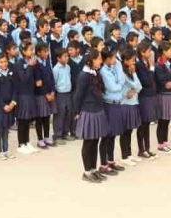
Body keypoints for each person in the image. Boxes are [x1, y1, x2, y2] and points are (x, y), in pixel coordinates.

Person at [73, 50, 108, 184]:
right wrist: (76, 112)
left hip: (98, 109)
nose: (101, 61)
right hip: (88, 110)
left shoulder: (96, 73)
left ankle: (93, 169)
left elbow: (102, 89)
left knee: (95, 141)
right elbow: (78, 95)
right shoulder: (84, 75)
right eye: (98, 59)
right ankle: (87, 171)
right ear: (91, 60)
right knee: (88, 142)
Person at [99, 47, 125, 175]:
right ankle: (103, 165)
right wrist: (119, 85)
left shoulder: (115, 66)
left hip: (117, 104)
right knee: (106, 136)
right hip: (108, 105)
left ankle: (111, 161)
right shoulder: (104, 70)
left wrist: (118, 64)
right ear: (107, 59)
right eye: (113, 57)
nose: (116, 59)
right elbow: (113, 87)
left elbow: (123, 79)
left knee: (113, 135)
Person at [13, 41, 39, 155]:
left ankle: (27, 142)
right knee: (22, 121)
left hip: (30, 93)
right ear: (23, 51)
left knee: (27, 120)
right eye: (30, 50)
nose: (32, 52)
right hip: (22, 94)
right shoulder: (20, 63)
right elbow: (24, 78)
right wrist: (29, 66)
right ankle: (21, 144)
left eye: (32, 50)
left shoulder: (32, 62)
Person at [118, 48, 142, 167]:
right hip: (125, 104)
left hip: (133, 102)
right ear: (126, 60)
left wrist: (134, 74)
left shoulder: (131, 71)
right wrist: (134, 86)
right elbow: (133, 85)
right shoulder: (123, 73)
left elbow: (139, 87)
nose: (134, 62)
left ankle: (129, 154)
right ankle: (124, 156)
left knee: (130, 130)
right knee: (125, 132)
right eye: (132, 60)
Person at [0, 53, 17, 159]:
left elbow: (16, 89)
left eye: (5, 61)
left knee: (6, 127)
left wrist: (13, 103)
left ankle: (6, 149)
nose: (4, 64)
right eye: (1, 62)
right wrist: (3, 105)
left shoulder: (11, 74)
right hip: (0, 106)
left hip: (10, 104)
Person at [135, 41, 157, 159]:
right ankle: (141, 149)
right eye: (148, 51)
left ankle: (147, 148)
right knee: (142, 123)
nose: (150, 53)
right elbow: (146, 82)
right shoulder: (139, 64)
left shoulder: (146, 62)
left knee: (147, 123)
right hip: (144, 96)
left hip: (150, 95)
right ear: (142, 52)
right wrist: (152, 69)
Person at [34, 43, 56, 148]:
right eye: (45, 51)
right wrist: (45, 94)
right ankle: (40, 139)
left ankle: (47, 137)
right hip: (40, 94)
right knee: (39, 118)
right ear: (38, 53)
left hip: (49, 92)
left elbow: (51, 77)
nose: (47, 53)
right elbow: (38, 82)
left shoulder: (47, 62)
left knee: (47, 117)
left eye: (47, 51)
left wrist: (52, 91)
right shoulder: (36, 64)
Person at [52, 48, 73, 144]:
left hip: (68, 93)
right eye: (65, 56)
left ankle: (65, 132)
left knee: (68, 113)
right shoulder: (56, 69)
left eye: (67, 56)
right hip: (60, 94)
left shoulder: (68, 67)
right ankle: (57, 135)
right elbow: (54, 82)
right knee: (60, 114)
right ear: (58, 58)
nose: (67, 58)